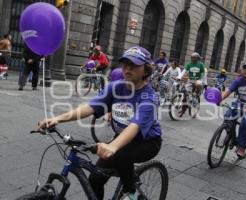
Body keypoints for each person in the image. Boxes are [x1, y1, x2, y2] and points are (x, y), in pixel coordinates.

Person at [37, 46, 162, 200]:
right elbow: (89, 107)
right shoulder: (116, 87)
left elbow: (134, 127)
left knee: (121, 154)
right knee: (94, 179)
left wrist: (112, 146)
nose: (128, 68)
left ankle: (132, 193)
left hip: (147, 142)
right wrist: (57, 119)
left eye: (134, 65)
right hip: (121, 137)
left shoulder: (149, 97)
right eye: (125, 64)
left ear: (146, 70)